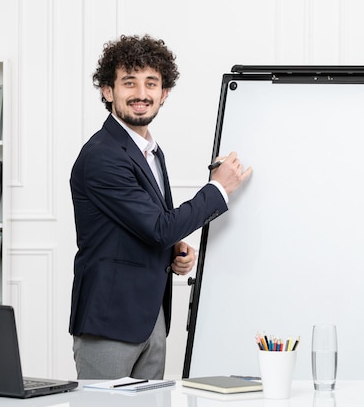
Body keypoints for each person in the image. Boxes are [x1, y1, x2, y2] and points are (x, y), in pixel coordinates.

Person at [69, 34, 252, 379]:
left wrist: (172, 250)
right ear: (108, 91)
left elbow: (145, 226)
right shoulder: (102, 156)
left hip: (150, 319)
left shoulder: (149, 151)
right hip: (109, 323)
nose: (141, 93)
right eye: (129, 83)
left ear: (164, 92)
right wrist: (218, 189)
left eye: (151, 83)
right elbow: (158, 227)